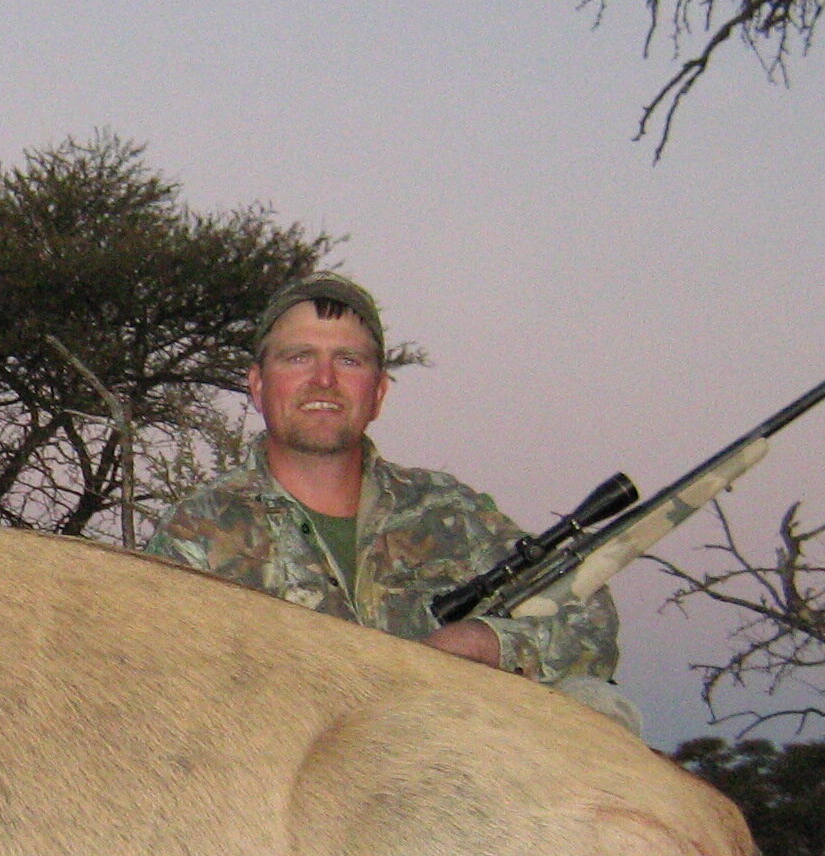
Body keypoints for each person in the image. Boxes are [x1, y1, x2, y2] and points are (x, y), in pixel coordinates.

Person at [142, 274, 640, 734]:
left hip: (449, 770)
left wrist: (488, 643)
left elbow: (588, 617)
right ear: (257, 385)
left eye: (349, 360)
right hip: (279, 791)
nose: (324, 379)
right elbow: (156, 688)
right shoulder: (198, 533)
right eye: (298, 357)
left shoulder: (448, 512)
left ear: (377, 392)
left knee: (594, 704)